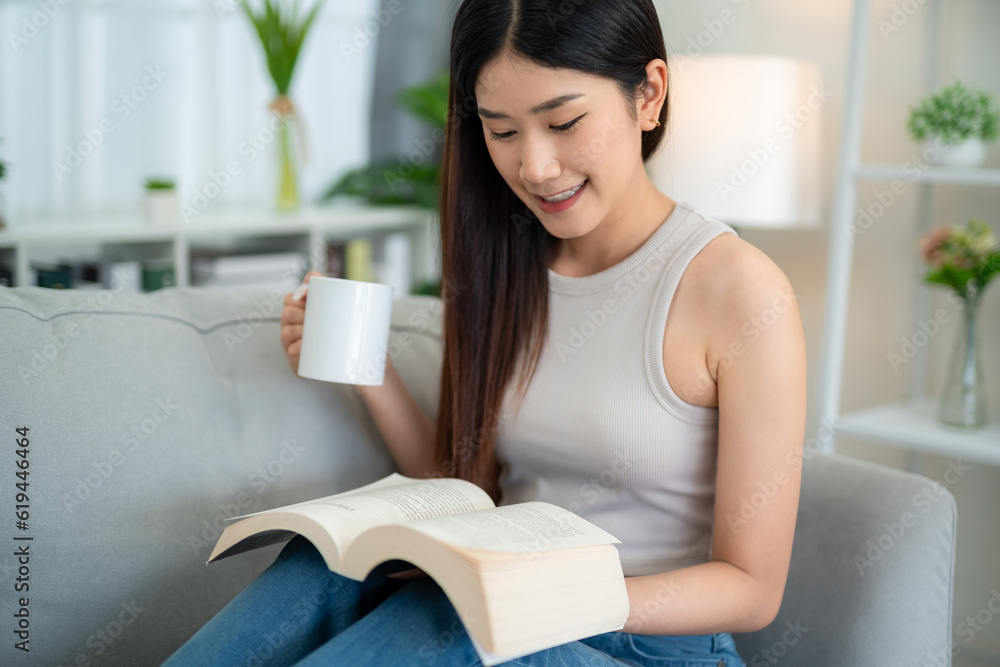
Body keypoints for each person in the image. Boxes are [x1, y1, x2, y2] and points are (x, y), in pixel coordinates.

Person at [163, 0, 807, 664]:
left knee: (450, 624)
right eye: (502, 132)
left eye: (563, 122)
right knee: (325, 566)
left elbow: (751, 588)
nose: (535, 167)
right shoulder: (507, 262)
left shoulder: (740, 291)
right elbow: (470, 489)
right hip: (510, 612)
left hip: (650, 645)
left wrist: (546, 595)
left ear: (649, 94)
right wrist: (370, 369)